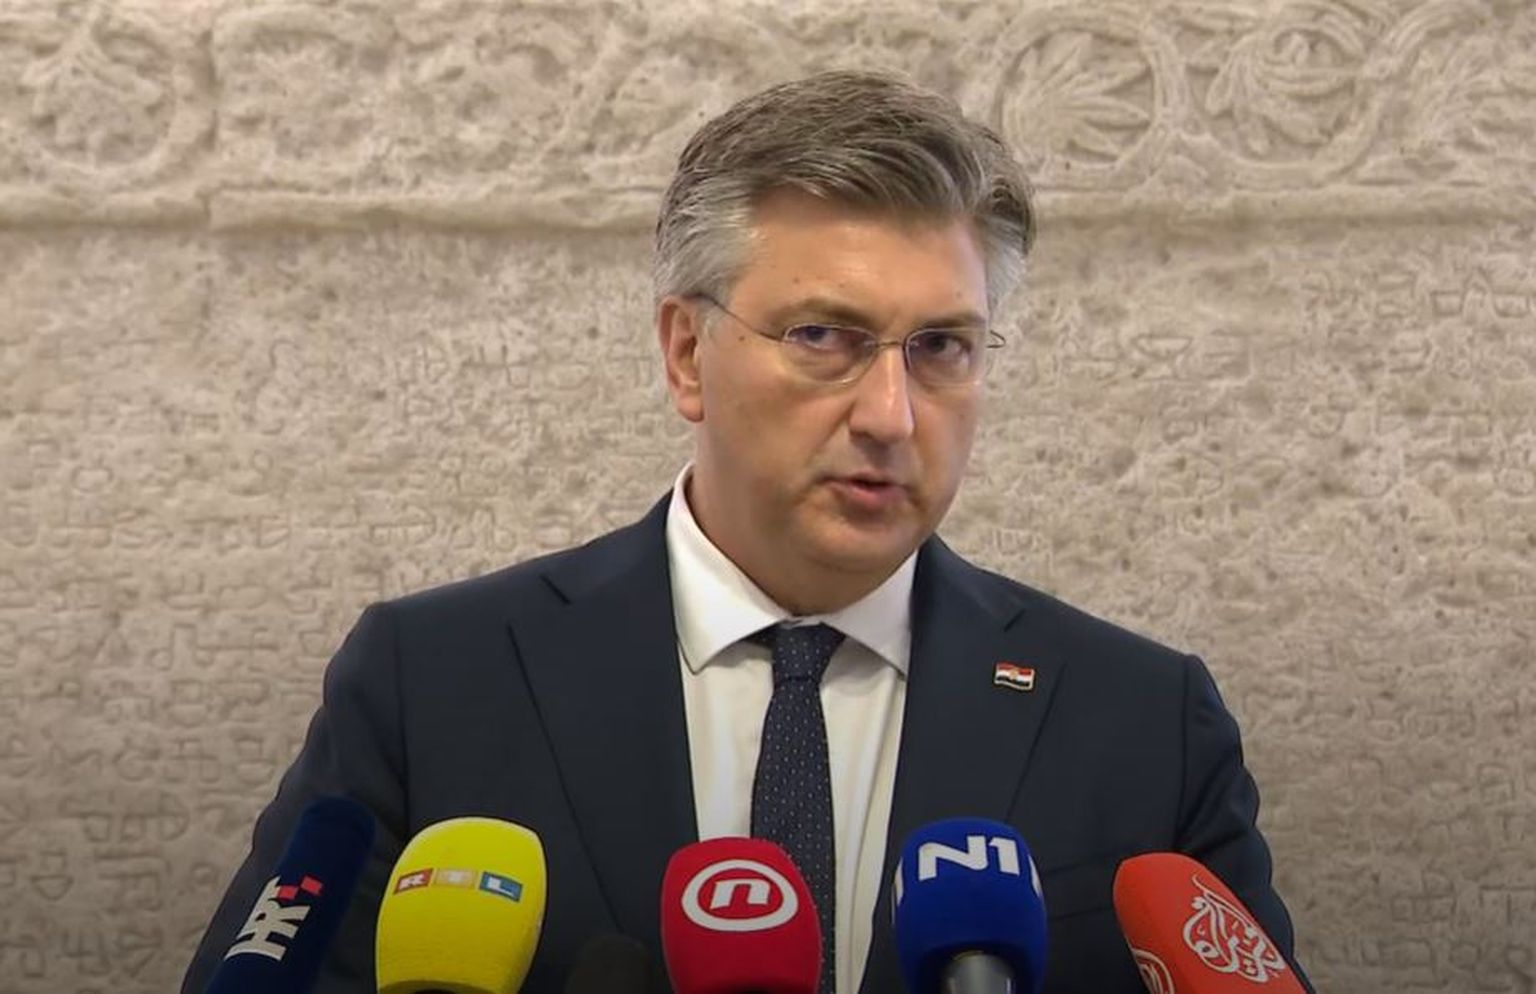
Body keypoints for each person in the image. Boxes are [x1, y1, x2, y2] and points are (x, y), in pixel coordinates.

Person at [182, 71, 1312, 994]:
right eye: (824, 336)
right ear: (687, 353)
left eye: (941, 348)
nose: (890, 414)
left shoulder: (1142, 721)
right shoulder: (433, 682)